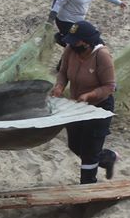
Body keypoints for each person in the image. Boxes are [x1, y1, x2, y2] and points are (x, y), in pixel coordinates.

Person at [51, 20, 119, 184]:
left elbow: (110, 86)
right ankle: (107, 158)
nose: (73, 45)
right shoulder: (70, 50)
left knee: (89, 152)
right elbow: (63, 73)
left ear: (87, 43)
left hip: (99, 107)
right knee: (75, 145)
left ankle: (88, 186)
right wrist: (59, 86)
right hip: (76, 105)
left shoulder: (102, 56)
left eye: (77, 42)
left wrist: (90, 95)